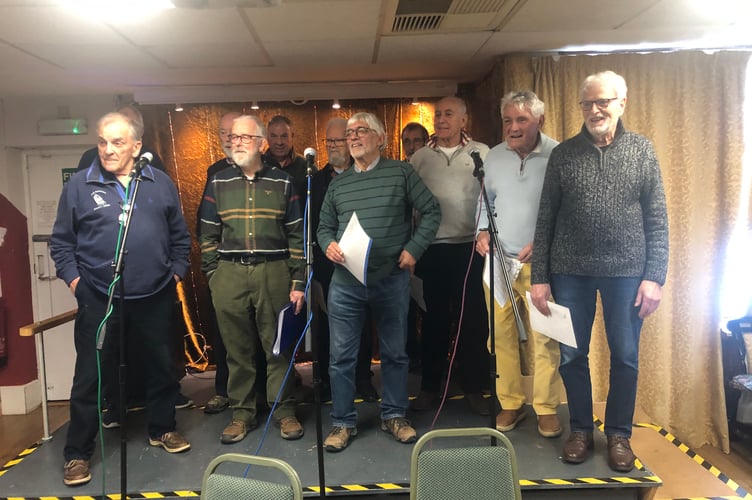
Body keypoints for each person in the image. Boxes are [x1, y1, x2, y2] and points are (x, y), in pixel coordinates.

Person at [530, 71, 669, 472]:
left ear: (621, 103)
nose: (594, 110)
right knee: (572, 356)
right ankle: (580, 430)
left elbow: (657, 219)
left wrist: (654, 276)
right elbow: (546, 219)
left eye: (602, 102)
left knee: (625, 357)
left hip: (627, 273)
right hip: (569, 272)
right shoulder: (563, 155)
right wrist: (540, 276)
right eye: (587, 103)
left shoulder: (643, 151)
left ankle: (619, 435)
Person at [51, 112, 192, 487]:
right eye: (102, 141)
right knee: (90, 377)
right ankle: (77, 453)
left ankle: (162, 428)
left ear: (136, 146)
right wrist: (77, 284)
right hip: (100, 296)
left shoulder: (160, 183)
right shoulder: (81, 185)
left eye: (117, 142)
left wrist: (175, 272)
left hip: (154, 294)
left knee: (162, 367)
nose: (108, 149)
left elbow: (180, 236)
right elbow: (62, 243)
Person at [317, 112, 440, 452]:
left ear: (381, 139)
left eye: (361, 131)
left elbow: (431, 211)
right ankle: (342, 422)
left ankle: (395, 415)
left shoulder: (401, 172)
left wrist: (414, 249)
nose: (353, 137)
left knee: (395, 353)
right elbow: (324, 227)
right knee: (341, 357)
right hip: (345, 283)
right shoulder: (338, 184)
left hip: (390, 279)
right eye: (350, 132)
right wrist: (327, 243)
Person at [199, 114, 306, 444]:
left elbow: (296, 237)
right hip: (229, 274)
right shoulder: (218, 182)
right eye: (232, 137)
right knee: (237, 352)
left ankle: (284, 410)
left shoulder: (283, 182)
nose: (236, 143)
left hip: (273, 272)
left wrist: (298, 282)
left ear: (261, 144)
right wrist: (215, 276)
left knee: (278, 348)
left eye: (244, 138)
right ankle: (242, 414)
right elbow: (206, 235)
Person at [475, 90, 563, 437]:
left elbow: (566, 211)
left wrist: (543, 244)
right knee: (501, 337)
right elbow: (485, 201)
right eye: (508, 120)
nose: (513, 127)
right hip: (498, 262)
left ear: (539, 120)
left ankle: (546, 408)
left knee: (544, 338)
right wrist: (482, 231)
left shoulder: (559, 155)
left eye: (521, 120)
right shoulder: (493, 158)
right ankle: (510, 404)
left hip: (541, 265)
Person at [409, 96, 490, 415]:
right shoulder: (420, 157)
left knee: (474, 320)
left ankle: (474, 387)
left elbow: (491, 198)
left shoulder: (481, 153)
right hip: (433, 249)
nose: (441, 119)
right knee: (434, 322)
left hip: (472, 249)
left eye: (448, 114)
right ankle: (430, 387)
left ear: (463, 120)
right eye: (438, 114)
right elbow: (410, 206)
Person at [310, 117, 377, 403]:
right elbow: (312, 225)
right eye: (330, 141)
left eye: (340, 140)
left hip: (361, 265)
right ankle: (326, 381)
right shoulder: (314, 180)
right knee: (325, 328)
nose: (335, 146)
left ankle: (363, 378)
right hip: (326, 268)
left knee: (363, 325)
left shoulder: (365, 174)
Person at [198, 111, 240, 414]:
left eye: (233, 132)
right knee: (225, 334)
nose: (228, 138)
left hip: (261, 268)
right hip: (225, 268)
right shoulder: (214, 171)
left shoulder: (271, 170)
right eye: (223, 132)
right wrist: (212, 270)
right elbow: (205, 224)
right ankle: (224, 390)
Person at [76, 104, 165, 172]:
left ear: (141, 132)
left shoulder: (150, 158)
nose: (109, 151)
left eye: (130, 125)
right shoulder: (90, 157)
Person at [264, 115, 308, 200]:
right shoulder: (259, 166)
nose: (279, 142)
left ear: (292, 136)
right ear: (267, 138)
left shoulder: (306, 167)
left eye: (284, 136)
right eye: (274, 136)